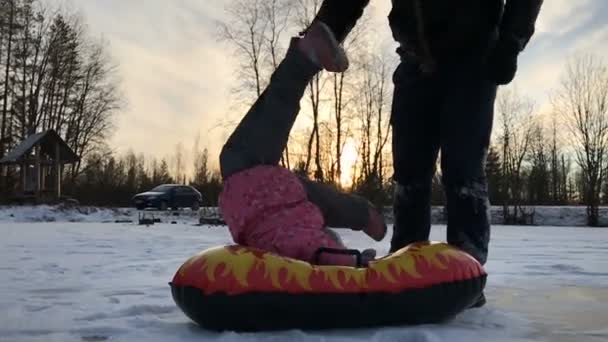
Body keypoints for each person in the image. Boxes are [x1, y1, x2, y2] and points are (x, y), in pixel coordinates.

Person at [306, 0, 543, 305]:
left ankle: (465, 273)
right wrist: (324, 31)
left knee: (463, 170)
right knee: (409, 173)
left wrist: (511, 41)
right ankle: (405, 264)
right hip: (415, 59)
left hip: (474, 58)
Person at [218, 21, 387, 268]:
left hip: (256, 185)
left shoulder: (310, 244)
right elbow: (325, 208)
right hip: (242, 187)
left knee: (276, 111)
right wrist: (360, 261)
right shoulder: (306, 237)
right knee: (273, 114)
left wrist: (359, 255)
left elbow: (330, 206)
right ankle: (303, 57)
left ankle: (304, 58)